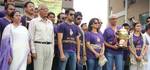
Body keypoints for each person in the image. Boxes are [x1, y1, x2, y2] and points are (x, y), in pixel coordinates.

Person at [29, 4, 54, 70]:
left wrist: (52, 49)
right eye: (44, 9)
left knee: (48, 68)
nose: (46, 11)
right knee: (38, 68)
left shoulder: (50, 22)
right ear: (39, 11)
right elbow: (31, 37)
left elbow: (52, 38)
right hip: (39, 46)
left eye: (47, 9)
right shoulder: (34, 21)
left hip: (49, 47)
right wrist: (33, 51)